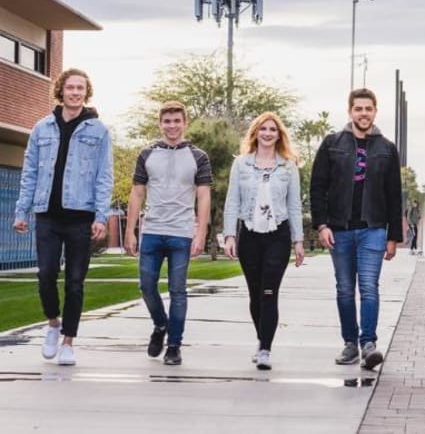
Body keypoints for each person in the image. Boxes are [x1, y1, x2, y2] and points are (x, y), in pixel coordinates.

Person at [13, 68, 114, 366]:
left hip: (81, 217)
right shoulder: (41, 128)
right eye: (70, 87)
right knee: (45, 276)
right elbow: (29, 173)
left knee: (75, 281)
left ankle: (69, 341)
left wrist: (101, 215)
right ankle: (53, 324)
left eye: (80, 88)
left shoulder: (99, 131)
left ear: (87, 92)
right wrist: (22, 211)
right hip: (48, 216)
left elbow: (104, 176)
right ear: (61, 91)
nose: (75, 92)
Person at [310, 88, 402, 370]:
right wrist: (322, 224)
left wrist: (393, 236)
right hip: (339, 229)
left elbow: (394, 194)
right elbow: (317, 187)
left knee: (369, 287)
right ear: (350, 111)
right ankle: (350, 343)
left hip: (373, 229)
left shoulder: (387, 148)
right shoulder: (332, 144)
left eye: (368, 108)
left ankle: (369, 344)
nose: (364, 113)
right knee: (345, 288)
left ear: (375, 111)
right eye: (358, 108)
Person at [124, 101, 213, 366]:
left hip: (181, 233)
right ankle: (160, 325)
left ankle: (174, 345)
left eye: (177, 121)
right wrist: (130, 231)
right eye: (167, 121)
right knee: (147, 287)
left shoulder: (198, 157)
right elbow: (137, 193)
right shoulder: (147, 154)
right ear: (160, 123)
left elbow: (204, 196)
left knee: (178, 291)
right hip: (152, 230)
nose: (172, 126)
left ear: (185, 123)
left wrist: (201, 234)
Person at [223, 112, 305, 371]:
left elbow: (294, 205)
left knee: (269, 292)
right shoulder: (241, 164)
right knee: (255, 294)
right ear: (255, 133)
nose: (268, 133)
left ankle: (266, 349)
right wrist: (229, 235)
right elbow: (232, 201)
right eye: (263, 129)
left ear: (279, 135)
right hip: (249, 234)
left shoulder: (288, 166)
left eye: (273, 130)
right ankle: (262, 339)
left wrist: (298, 240)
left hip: (277, 236)